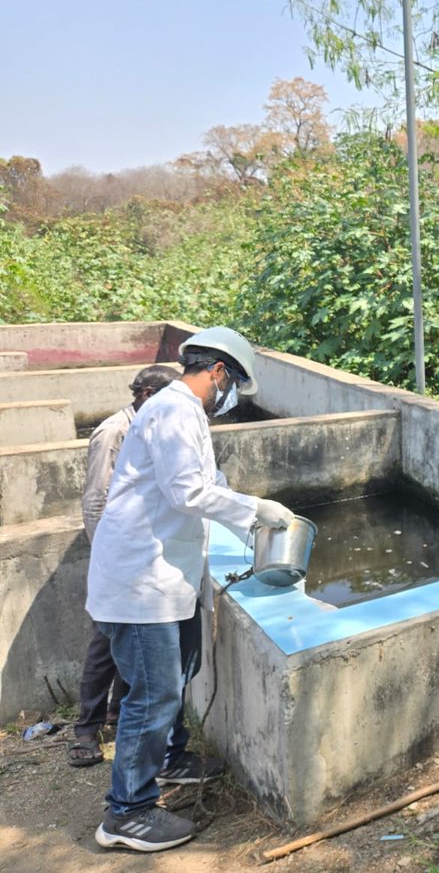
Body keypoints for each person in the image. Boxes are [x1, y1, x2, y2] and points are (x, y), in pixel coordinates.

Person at [87, 327, 296, 853]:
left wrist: (250, 516)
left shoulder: (183, 414)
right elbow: (189, 491)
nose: (230, 399)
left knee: (180, 671)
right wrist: (255, 511)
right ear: (219, 372)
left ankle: (170, 757)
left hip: (164, 575)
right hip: (140, 582)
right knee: (153, 693)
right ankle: (127, 813)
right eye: (234, 386)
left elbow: (210, 483)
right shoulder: (176, 410)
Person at [67, 364, 180, 768]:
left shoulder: (149, 424)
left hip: (136, 552)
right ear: (147, 394)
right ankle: (86, 728)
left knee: (127, 645)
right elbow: (96, 499)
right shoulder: (114, 430)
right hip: (116, 555)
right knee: (104, 645)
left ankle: (115, 716)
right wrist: (110, 557)